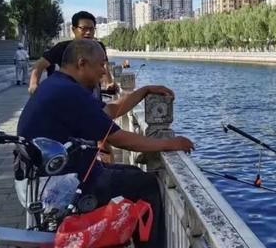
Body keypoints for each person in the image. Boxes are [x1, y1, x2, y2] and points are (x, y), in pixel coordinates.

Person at [17, 39, 194, 247]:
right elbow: (118, 138)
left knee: (133, 174)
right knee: (147, 185)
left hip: (42, 179)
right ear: (82, 63)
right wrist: (169, 144)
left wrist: (143, 91)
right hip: (55, 188)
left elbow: (109, 112)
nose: (104, 71)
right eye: (101, 64)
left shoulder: (58, 84)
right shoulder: (69, 92)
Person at [28, 11, 117, 95]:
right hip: (66, 94)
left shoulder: (98, 47)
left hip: (91, 94)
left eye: (91, 29)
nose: (88, 32)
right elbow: (40, 65)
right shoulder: (62, 47)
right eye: (84, 28)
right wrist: (33, 84)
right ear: (74, 29)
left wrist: (109, 83)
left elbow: (104, 66)